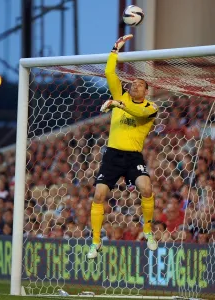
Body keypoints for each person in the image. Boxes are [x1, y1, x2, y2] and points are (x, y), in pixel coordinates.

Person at [87, 34, 158, 259]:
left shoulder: (150, 108)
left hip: (133, 157)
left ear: (146, 91)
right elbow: (109, 72)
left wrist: (118, 104)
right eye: (133, 83)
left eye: (139, 85)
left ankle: (147, 231)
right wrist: (115, 50)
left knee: (146, 189)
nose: (134, 86)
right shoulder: (121, 96)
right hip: (112, 155)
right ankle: (96, 242)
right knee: (99, 195)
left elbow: (137, 113)